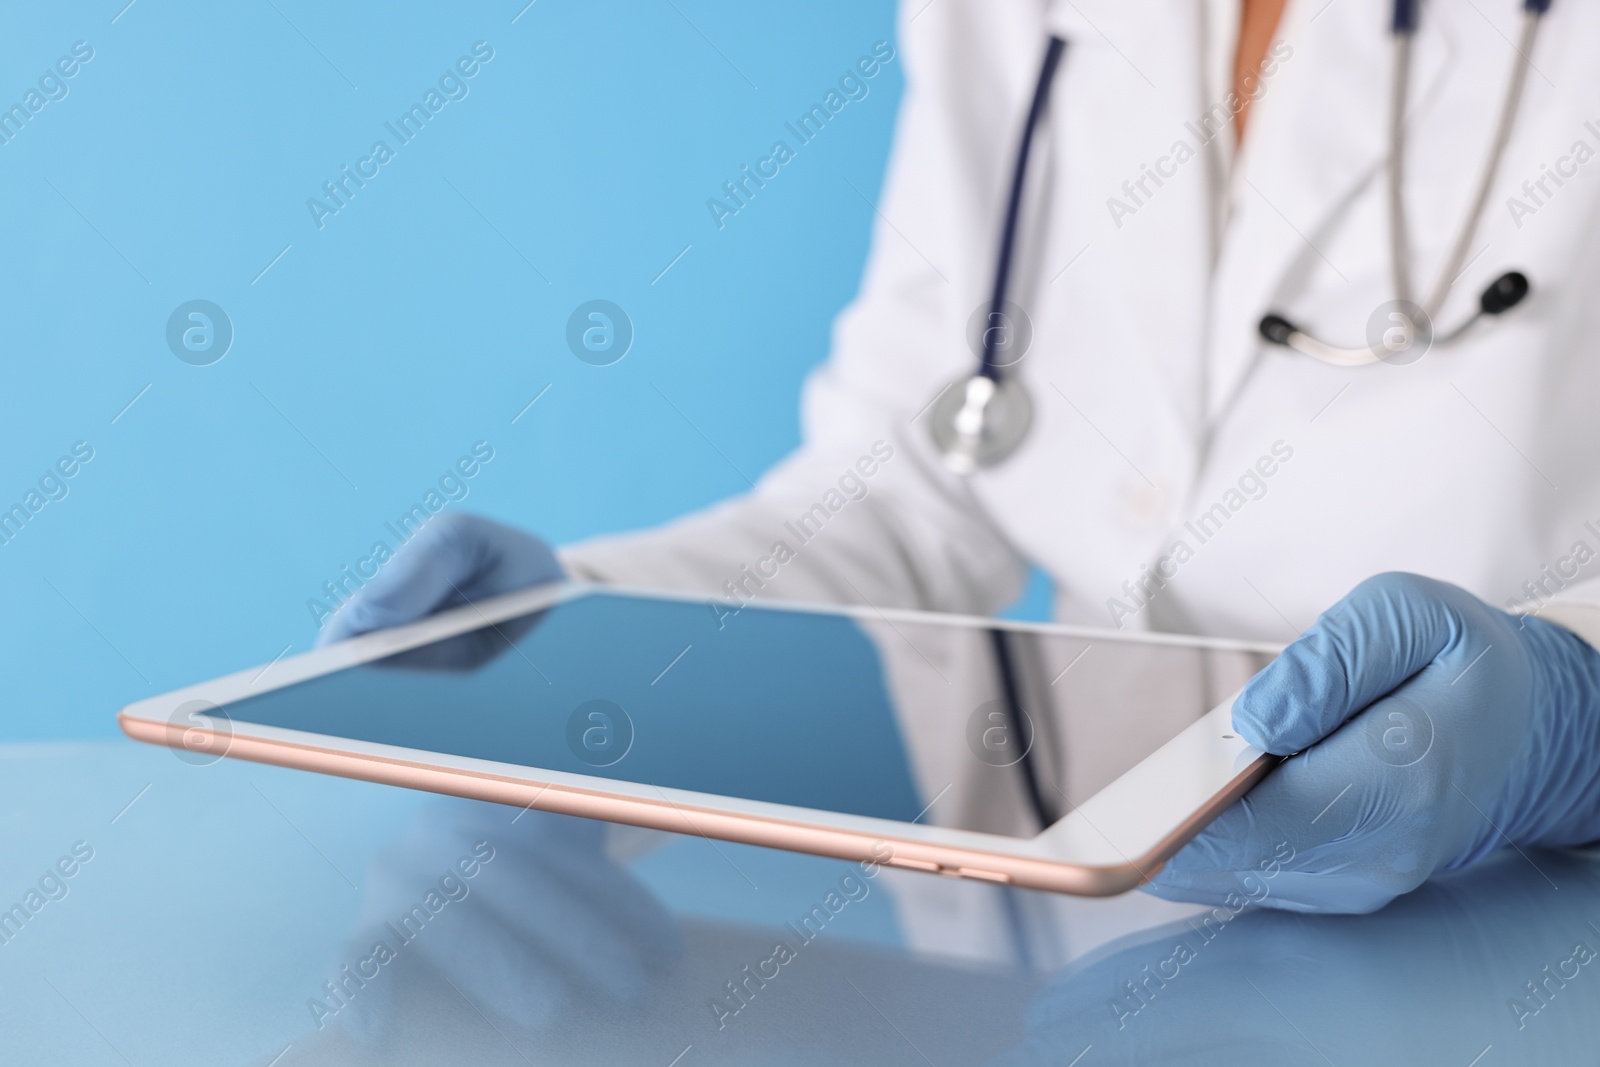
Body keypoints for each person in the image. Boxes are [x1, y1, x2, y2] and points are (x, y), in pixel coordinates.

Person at [319, 0, 1600, 913]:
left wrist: (1566, 720)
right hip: (1053, 906)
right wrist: (604, 630)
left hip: (1511, 910)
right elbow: (909, 490)